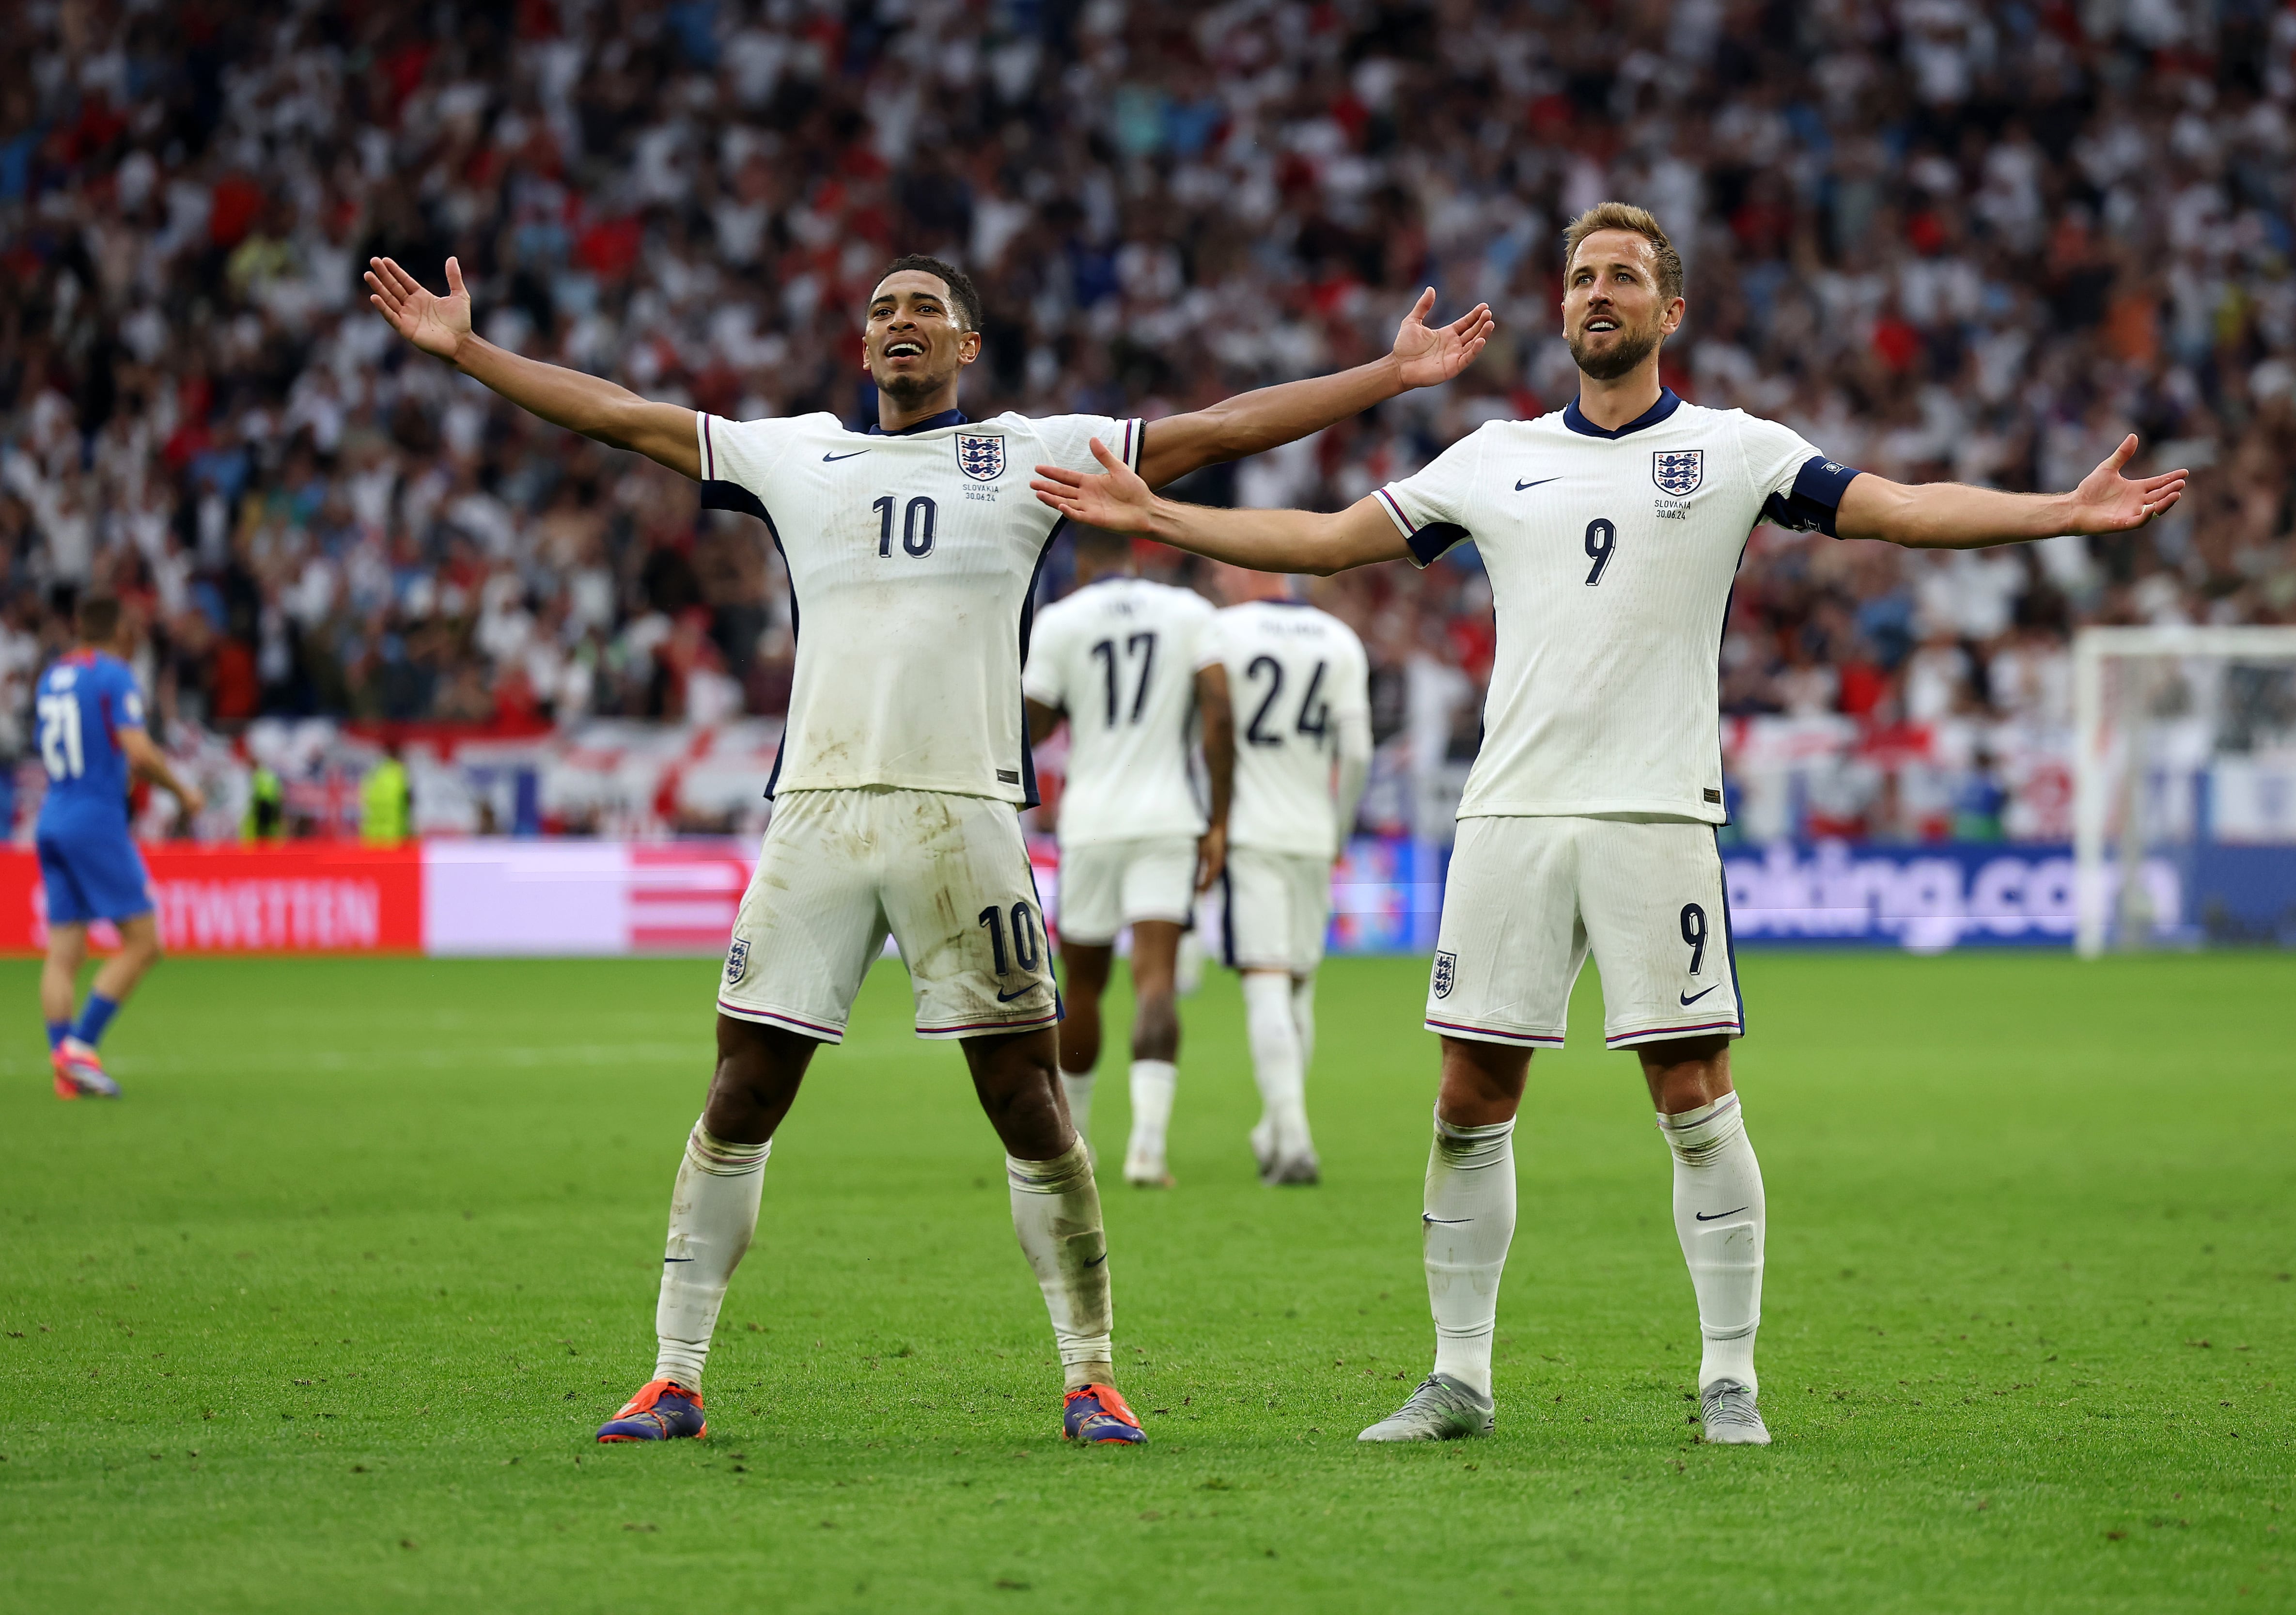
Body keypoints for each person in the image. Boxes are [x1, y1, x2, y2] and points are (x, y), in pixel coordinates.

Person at [1031, 201, 2186, 1447]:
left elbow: (1897, 507)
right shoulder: (1491, 456)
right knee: (1470, 1091)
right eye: (1581, 275)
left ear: (1667, 311)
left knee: (1692, 1089)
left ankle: (1728, 1377)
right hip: (1511, 814)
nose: (1598, 292)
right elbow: (1323, 542)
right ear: (1561, 304)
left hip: (1654, 813)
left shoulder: (1739, 452)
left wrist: (2055, 513)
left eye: (1624, 277)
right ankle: (1458, 1377)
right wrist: (1160, 519)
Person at [364, 249, 1491, 1447]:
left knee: (1026, 1096)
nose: (900, 323)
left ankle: (1092, 1373)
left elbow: (1214, 431)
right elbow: (618, 415)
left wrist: (1387, 372)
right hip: (819, 813)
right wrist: (472, 354)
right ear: (862, 349)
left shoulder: (1030, 452)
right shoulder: (798, 453)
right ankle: (673, 1374)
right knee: (744, 1087)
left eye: (926, 312)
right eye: (882, 311)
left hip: (965, 816)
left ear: (966, 348)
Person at [1022, 528, 1230, 1186]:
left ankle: (1074, 1143)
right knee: (1156, 980)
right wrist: (1219, 819)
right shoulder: (1189, 613)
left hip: (1091, 822)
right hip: (1168, 817)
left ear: (1083, 561)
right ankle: (1147, 1149)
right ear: (1137, 551)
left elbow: (1035, 726)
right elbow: (1219, 714)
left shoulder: (1061, 620)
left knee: (1081, 987)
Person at [1194, 564, 1371, 1185]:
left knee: (1265, 983)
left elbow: (1207, 731)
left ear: (1244, 571)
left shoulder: (1218, 631)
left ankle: (1293, 1140)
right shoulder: (1338, 638)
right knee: (1299, 985)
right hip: (1311, 831)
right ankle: (1276, 1127)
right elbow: (1356, 753)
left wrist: (1207, 818)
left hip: (1251, 829)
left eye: (1223, 568)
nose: (1218, 577)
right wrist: (1339, 829)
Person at [34, 595, 205, 1099]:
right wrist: (183, 790)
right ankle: (79, 1050)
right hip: (94, 819)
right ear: (121, 630)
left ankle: (64, 1072)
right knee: (144, 942)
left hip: (53, 815)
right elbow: (137, 748)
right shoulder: (113, 672)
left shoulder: (52, 676)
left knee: (64, 952)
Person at [359, 743, 413, 845]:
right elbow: (409, 799)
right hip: (393, 832)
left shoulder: (373, 772)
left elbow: (364, 797)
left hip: (371, 832)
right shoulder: (401, 772)